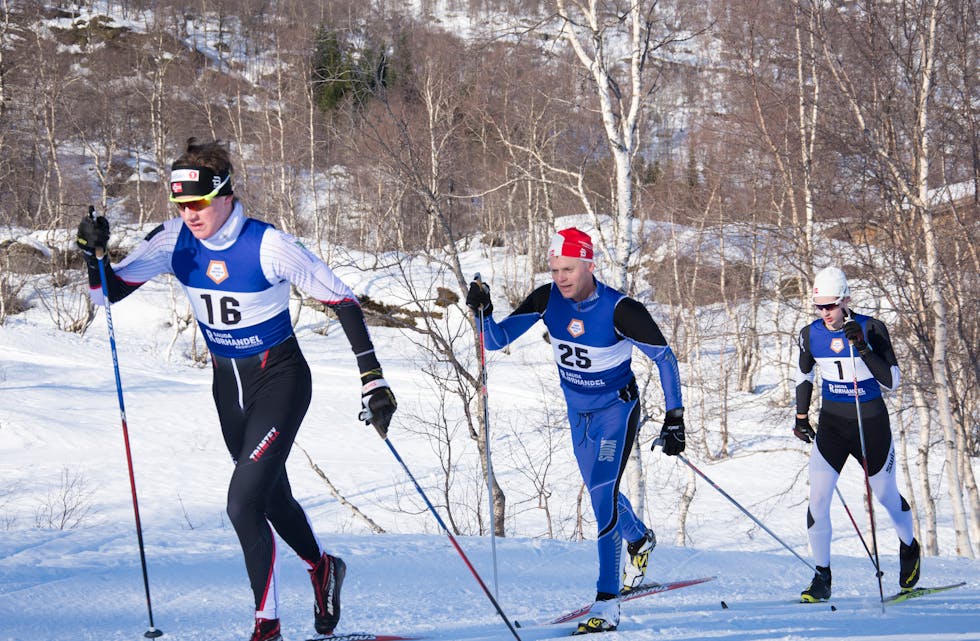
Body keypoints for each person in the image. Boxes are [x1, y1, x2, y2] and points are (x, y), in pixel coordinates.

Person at [76, 139, 397, 641]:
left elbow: (344, 300)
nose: (190, 214)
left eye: (199, 203)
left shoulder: (268, 245)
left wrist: (371, 378)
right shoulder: (171, 241)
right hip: (228, 389)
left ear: (225, 194)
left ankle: (266, 626)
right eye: (181, 205)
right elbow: (107, 295)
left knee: (241, 502)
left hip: (280, 380)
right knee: (268, 499)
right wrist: (92, 254)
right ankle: (322, 567)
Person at [465, 227, 684, 635]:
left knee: (601, 495)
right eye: (554, 269)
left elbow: (665, 359)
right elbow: (495, 341)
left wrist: (675, 418)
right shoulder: (548, 298)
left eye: (568, 268)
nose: (561, 277)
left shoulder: (622, 309)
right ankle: (638, 539)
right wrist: (481, 312)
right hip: (577, 414)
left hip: (616, 411)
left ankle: (607, 601)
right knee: (605, 493)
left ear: (588, 264)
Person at [793, 266, 920, 602]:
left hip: (871, 424)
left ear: (846, 300)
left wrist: (862, 348)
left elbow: (892, 381)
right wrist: (801, 416)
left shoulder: (871, 328)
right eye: (819, 307)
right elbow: (805, 376)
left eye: (830, 306)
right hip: (833, 426)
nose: (825, 313)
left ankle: (909, 547)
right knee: (818, 501)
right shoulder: (809, 334)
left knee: (886, 497)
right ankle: (822, 576)